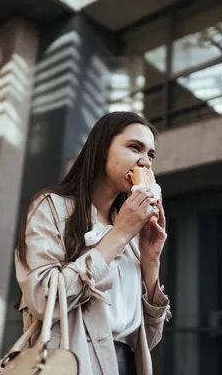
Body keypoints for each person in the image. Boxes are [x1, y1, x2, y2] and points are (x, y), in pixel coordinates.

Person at [14, 112, 172, 375]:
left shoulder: (130, 229)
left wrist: (150, 260)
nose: (145, 162)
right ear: (101, 149)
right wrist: (119, 235)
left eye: (151, 155)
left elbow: (148, 338)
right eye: (135, 148)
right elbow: (44, 300)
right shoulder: (52, 208)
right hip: (72, 364)